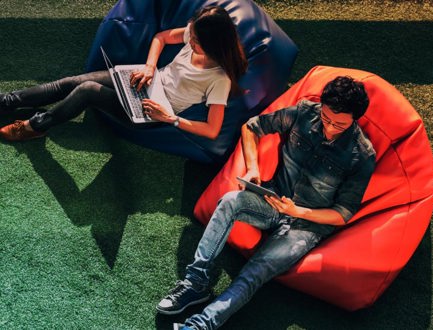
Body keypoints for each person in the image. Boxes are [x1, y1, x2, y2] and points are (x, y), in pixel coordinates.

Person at [157, 76, 377, 330]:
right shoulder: (305, 112)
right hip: (273, 198)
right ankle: (196, 282)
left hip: (305, 227)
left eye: (339, 125)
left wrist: (299, 211)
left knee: (255, 271)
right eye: (326, 118)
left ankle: (199, 326)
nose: (329, 128)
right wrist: (252, 168)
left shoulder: (361, 155)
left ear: (355, 120)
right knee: (230, 201)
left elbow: (342, 214)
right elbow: (252, 127)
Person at [0, 6, 247, 141]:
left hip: (151, 112)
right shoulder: (197, 31)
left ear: (215, 44)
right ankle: (8, 101)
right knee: (73, 82)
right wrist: (150, 67)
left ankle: (37, 125)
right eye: (191, 38)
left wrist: (169, 118)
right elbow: (161, 38)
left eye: (196, 42)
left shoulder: (219, 79)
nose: (190, 42)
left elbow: (212, 130)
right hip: (145, 80)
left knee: (86, 91)